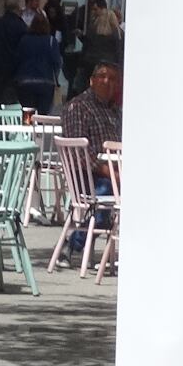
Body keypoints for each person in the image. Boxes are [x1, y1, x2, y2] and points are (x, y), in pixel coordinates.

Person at [59, 61, 125, 262]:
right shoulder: (78, 107)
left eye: (113, 79)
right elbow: (78, 154)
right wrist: (109, 172)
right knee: (109, 191)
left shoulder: (115, 111)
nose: (107, 82)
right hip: (86, 177)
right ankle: (76, 243)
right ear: (92, 80)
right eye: (103, 76)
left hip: (116, 172)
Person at [15, 14, 64, 112]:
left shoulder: (24, 40)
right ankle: (40, 126)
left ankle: (28, 126)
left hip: (26, 81)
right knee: (43, 115)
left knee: (27, 115)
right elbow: (56, 62)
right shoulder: (51, 41)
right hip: (45, 82)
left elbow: (18, 58)